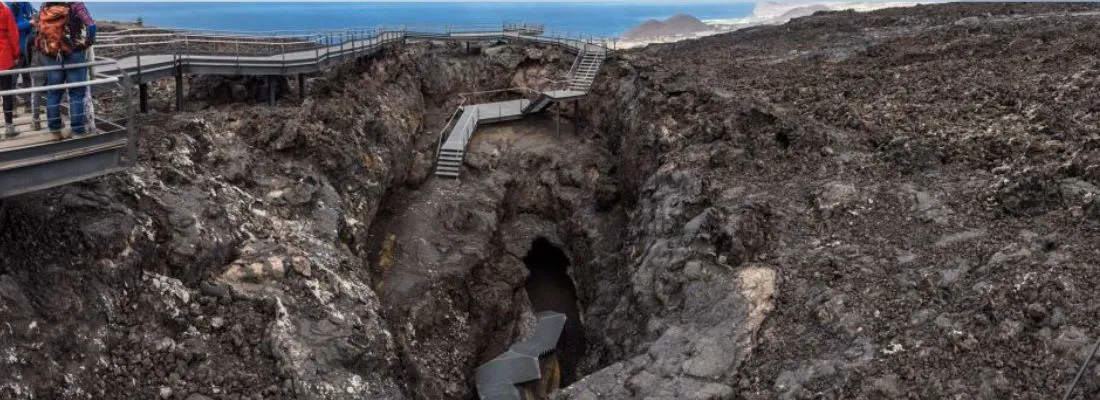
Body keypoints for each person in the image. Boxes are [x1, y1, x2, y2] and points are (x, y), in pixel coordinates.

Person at [36, 2, 95, 140]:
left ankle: (55, 131)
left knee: (54, 93)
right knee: (76, 94)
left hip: (51, 55)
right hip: (74, 53)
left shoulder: (46, 5)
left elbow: (39, 28)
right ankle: (77, 130)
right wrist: (87, 43)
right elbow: (91, 26)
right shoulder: (75, 5)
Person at [0, 3, 19, 138]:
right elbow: (13, 35)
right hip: (4, 58)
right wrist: (16, 55)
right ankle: (9, 127)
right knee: (7, 93)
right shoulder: (6, 12)